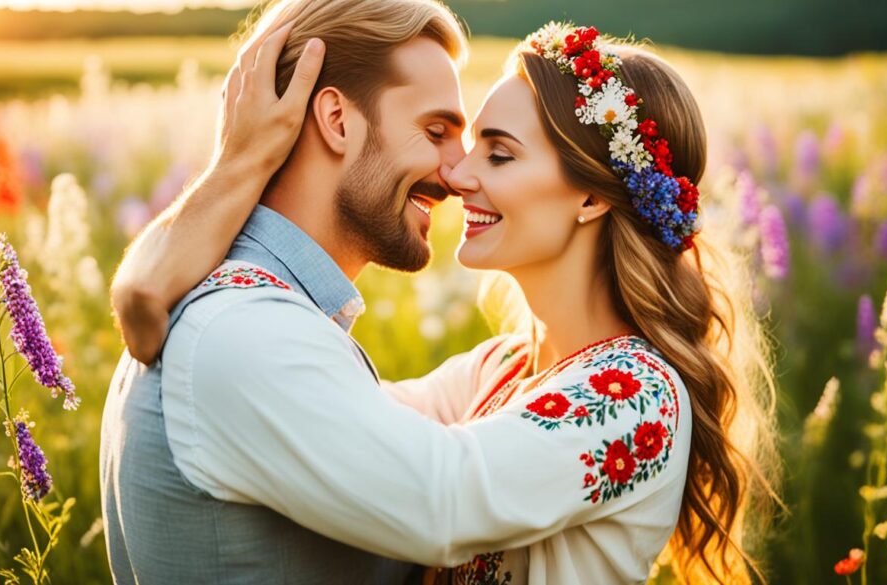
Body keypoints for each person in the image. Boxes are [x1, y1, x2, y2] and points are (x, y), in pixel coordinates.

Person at [103, 5, 779, 585]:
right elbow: (343, 426)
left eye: (499, 152)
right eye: (441, 134)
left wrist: (171, 255)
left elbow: (440, 495)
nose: (457, 174)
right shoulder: (499, 372)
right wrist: (218, 190)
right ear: (335, 121)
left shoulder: (636, 393)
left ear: (590, 196)